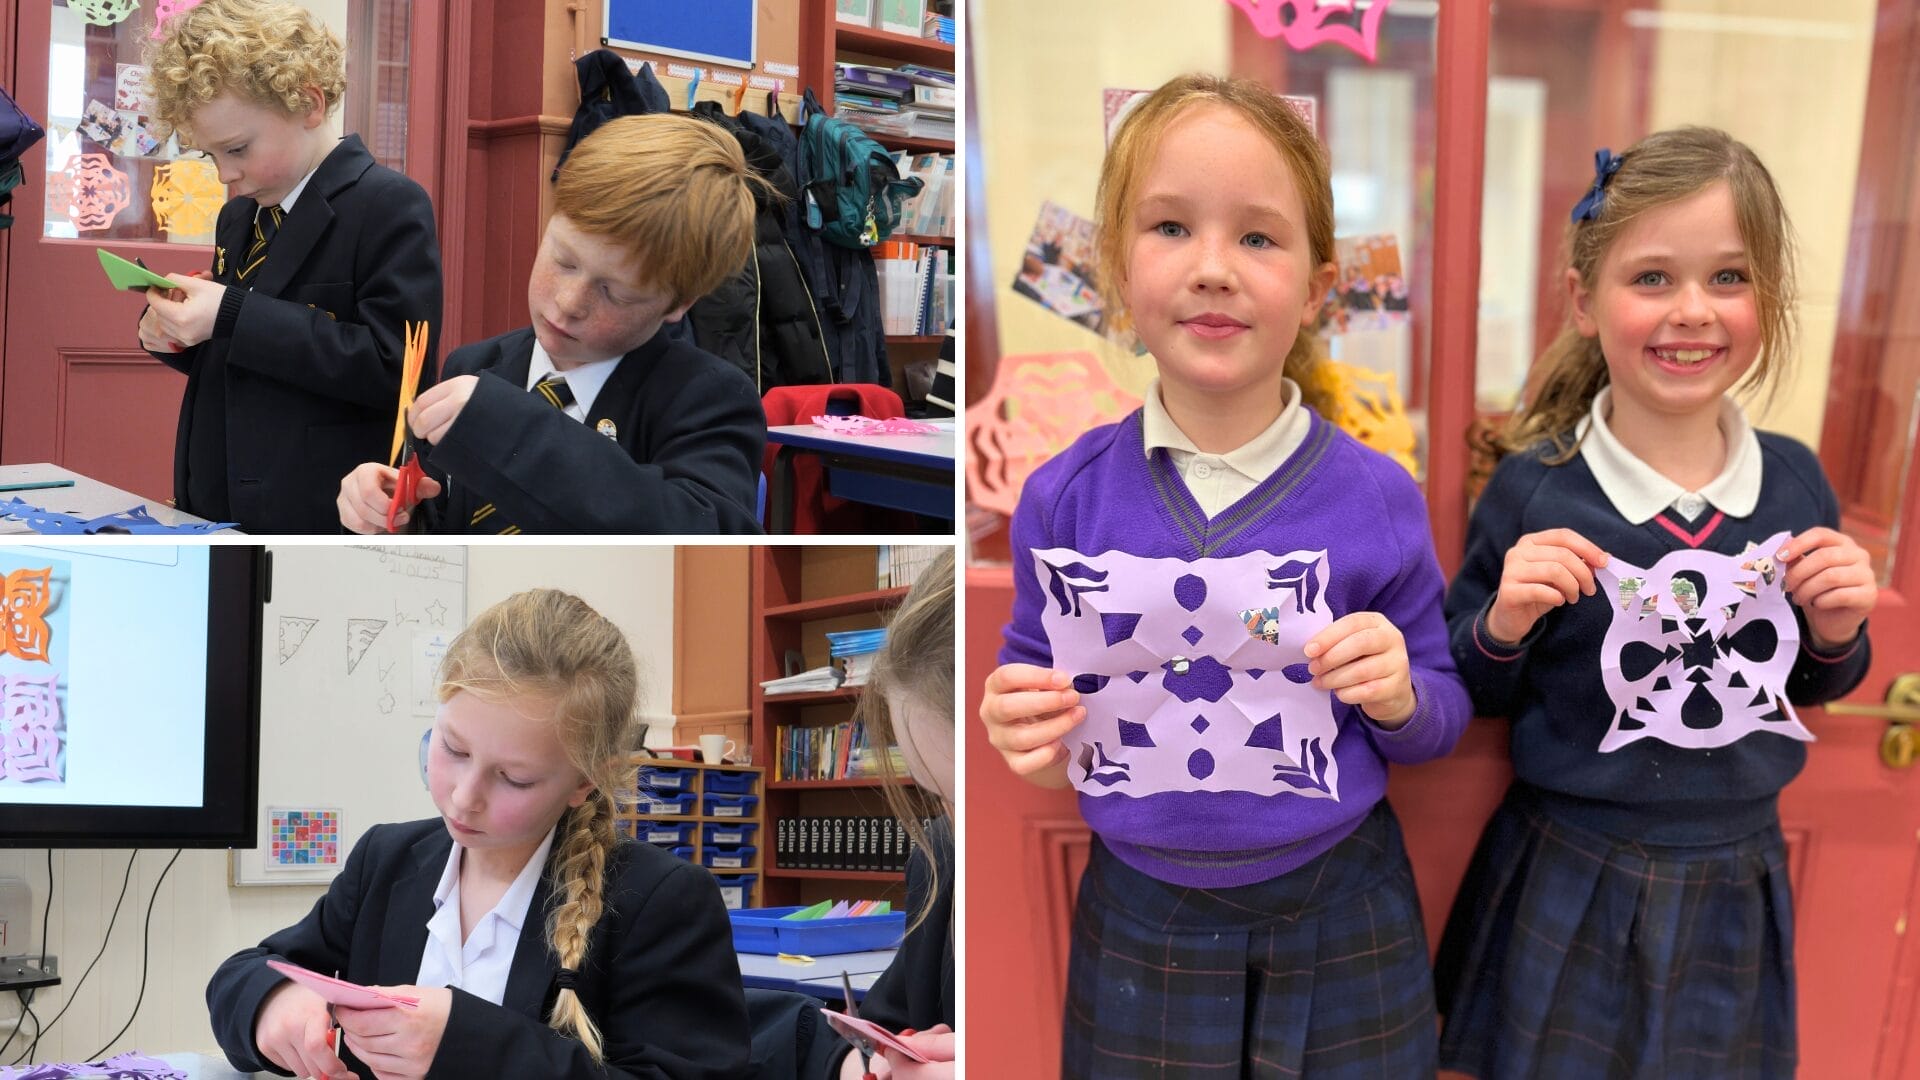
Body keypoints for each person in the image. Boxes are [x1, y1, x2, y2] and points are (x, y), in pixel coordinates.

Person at [979, 72, 1470, 1077]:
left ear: (1319, 289)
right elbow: (1033, 681)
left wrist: (1400, 694)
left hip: (1343, 902)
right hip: (1141, 915)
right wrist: (1015, 724)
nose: (1213, 269)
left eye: (1257, 237)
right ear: (1116, 274)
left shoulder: (1378, 494)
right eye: (1169, 228)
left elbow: (1441, 715)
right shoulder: (1063, 499)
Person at [1434, 128, 1879, 1080]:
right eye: (1652, 279)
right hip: (1568, 865)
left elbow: (1805, 679)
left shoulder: (1796, 485)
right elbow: (1469, 682)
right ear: (1584, 301)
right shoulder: (1534, 490)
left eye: (1729, 278)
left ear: (1767, 299)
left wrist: (1841, 633)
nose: (1692, 312)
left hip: (1734, 873)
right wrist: (1504, 626)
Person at [206, 590, 751, 1080]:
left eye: (514, 778)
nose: (464, 797)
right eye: (453, 749)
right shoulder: (387, 860)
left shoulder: (660, 901)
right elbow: (246, 972)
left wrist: (467, 1046)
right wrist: (274, 1003)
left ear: (584, 782)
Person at [336, 113, 768, 535]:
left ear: (679, 303)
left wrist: (509, 427)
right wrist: (394, 514)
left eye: (615, 293)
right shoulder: (475, 363)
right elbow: (448, 521)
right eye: (563, 260)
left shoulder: (709, 398)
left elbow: (703, 529)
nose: (568, 302)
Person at [140, 0, 442, 534]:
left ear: (308, 102)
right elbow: (254, 357)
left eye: (237, 148)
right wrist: (181, 334)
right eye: (211, 156)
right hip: (212, 502)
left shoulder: (389, 204)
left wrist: (231, 314)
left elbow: (394, 368)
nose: (225, 174)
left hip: (314, 516)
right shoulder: (239, 219)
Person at [806, 549, 957, 1079]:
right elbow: (885, 1026)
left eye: (968, 801)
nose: (951, 824)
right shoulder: (941, 854)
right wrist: (860, 1063)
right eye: (937, 798)